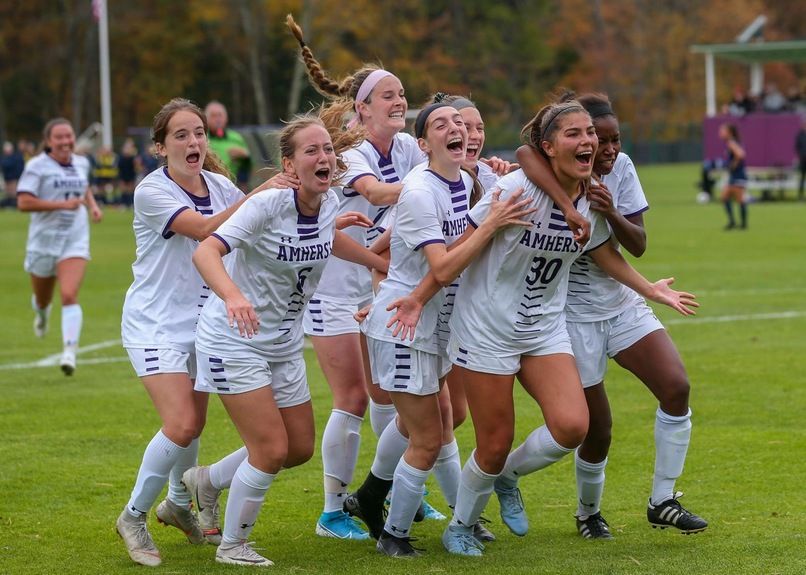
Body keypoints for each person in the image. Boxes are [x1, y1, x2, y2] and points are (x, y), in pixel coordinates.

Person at [385, 98, 698, 557]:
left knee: (573, 426)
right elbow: (458, 249)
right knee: (493, 444)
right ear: (549, 147)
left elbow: (603, 251)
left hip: (544, 328)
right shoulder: (514, 190)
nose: (587, 141)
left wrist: (650, 290)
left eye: (589, 132)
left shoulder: (591, 195)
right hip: (486, 329)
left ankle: (508, 477)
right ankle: (462, 526)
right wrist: (416, 296)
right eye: (574, 134)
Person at [188, 110, 387, 567]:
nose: (324, 157)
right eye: (311, 150)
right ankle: (233, 545)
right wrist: (233, 295)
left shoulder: (330, 201)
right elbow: (206, 250)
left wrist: (377, 264)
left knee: (296, 448)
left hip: (281, 342)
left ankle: (207, 481)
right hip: (233, 339)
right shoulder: (267, 204)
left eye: (328, 149)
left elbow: (325, 241)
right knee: (270, 449)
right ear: (290, 165)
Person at [343, 103, 536, 558]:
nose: (460, 130)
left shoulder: (466, 182)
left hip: (437, 325)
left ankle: (371, 500)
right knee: (428, 439)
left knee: (435, 429)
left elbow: (420, 245)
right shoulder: (418, 191)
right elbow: (443, 266)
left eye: (465, 124)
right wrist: (490, 224)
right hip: (404, 327)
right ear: (424, 144)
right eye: (442, 124)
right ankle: (393, 534)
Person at [287, 13, 451, 534]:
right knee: (354, 399)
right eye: (389, 95)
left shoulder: (406, 148)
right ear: (362, 109)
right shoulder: (352, 153)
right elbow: (381, 197)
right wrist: (440, 183)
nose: (401, 100)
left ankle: (394, 488)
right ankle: (333, 511)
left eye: (403, 93)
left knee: (389, 396)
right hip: (332, 287)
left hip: (378, 285)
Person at [517, 92, 708, 539]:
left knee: (676, 386)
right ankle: (585, 513)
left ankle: (663, 500)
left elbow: (638, 244)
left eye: (613, 139)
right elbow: (526, 151)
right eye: (597, 140)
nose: (607, 149)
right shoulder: (553, 170)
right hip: (571, 315)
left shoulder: (620, 170)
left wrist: (611, 211)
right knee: (597, 428)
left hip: (622, 302)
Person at [115, 98, 293, 567]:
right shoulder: (152, 192)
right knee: (182, 424)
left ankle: (176, 502)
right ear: (160, 147)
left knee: (193, 423)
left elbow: (255, 232)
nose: (194, 141)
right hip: (155, 324)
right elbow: (208, 229)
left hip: (206, 323)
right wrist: (263, 191)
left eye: (198, 133)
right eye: (181, 135)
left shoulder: (218, 183)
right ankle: (132, 517)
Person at [16, 118, 103, 375]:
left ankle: (69, 352)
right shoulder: (36, 167)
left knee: (68, 294)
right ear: (49, 141)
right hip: (43, 242)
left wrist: (93, 205)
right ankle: (42, 315)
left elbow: (84, 187)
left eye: (69, 136)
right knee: (43, 300)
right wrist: (61, 205)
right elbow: (23, 202)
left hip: (74, 239)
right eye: (59, 137)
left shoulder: (81, 162)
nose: (66, 141)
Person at [205, 101, 252, 192]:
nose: (217, 119)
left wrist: (245, 156)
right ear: (206, 119)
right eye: (213, 116)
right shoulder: (202, 138)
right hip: (208, 186)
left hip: (232, 186)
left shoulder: (236, 138)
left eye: (220, 115)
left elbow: (247, 167)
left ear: (226, 118)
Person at [719, 123, 748, 230]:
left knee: (739, 199)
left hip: (738, 175)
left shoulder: (731, 142)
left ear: (729, 132)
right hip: (734, 175)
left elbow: (741, 154)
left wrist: (733, 165)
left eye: (722, 131)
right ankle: (733, 222)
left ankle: (742, 224)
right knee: (724, 197)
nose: (720, 133)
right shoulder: (731, 142)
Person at [118, 138, 139, 207]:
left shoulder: (133, 156)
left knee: (130, 189)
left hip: (131, 174)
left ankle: (130, 203)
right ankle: (123, 203)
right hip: (123, 173)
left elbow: (136, 165)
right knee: (123, 189)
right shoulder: (122, 156)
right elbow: (119, 165)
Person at [795, 117, 806, 201]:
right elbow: (797, 147)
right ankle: (800, 196)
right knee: (802, 178)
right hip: (803, 159)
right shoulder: (800, 135)